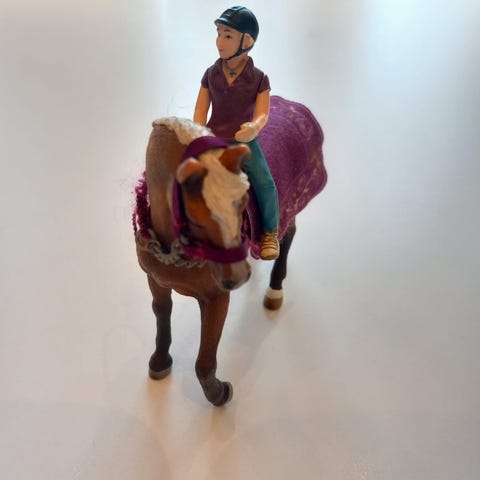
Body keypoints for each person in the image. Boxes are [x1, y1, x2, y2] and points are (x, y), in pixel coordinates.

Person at [194, 6, 280, 260]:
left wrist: (254, 128)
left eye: (228, 36)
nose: (219, 42)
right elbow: (200, 109)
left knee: (265, 182)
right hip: (213, 139)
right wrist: (198, 131)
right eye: (219, 34)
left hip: (244, 142)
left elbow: (262, 113)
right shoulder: (211, 74)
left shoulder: (259, 79)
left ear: (247, 41)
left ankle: (270, 232)